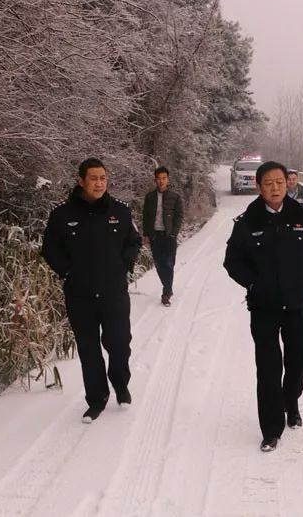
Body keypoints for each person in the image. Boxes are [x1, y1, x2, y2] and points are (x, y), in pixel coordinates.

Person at [223, 161, 303, 452]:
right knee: (268, 368)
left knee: (299, 359)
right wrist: (253, 284)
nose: (275, 187)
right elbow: (232, 261)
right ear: (259, 187)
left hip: (296, 304)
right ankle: (271, 429)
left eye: (279, 182)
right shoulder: (247, 222)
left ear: (288, 184)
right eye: (268, 183)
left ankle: (290, 401)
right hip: (263, 308)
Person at [41, 157, 142, 423]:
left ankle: (120, 385)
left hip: (114, 293)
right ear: (81, 182)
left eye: (103, 178)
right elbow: (50, 249)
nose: (99, 183)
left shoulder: (120, 212)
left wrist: (124, 265)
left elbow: (134, 241)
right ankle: (96, 399)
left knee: (119, 344)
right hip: (80, 295)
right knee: (89, 349)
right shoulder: (62, 215)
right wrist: (68, 273)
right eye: (94, 178)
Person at [142, 166, 184, 306]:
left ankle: (166, 292)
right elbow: (146, 217)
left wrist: (173, 233)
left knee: (169, 263)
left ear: (168, 179)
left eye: (164, 178)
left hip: (169, 236)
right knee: (159, 264)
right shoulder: (150, 197)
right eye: (158, 178)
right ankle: (168, 288)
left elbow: (179, 216)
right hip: (155, 235)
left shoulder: (175, 197)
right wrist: (146, 234)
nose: (161, 181)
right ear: (155, 180)